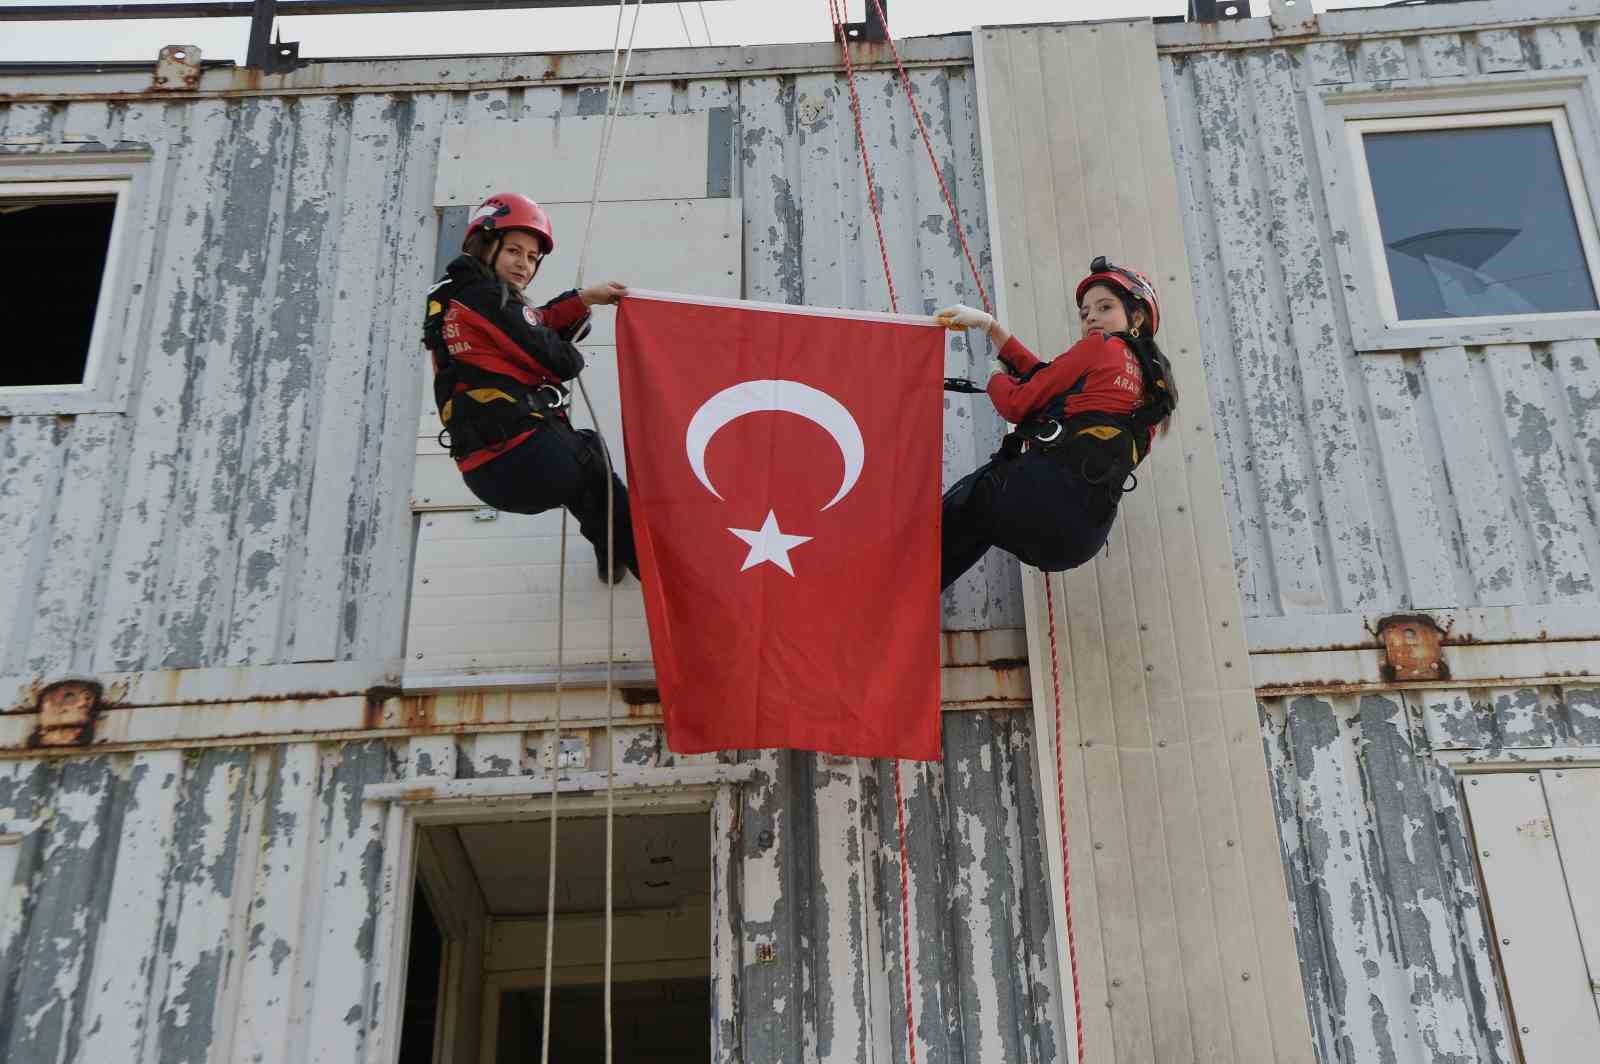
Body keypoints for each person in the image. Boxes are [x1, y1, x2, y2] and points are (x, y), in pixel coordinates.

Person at [423, 191, 639, 582]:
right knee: (588, 455)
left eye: (532, 258)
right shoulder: (483, 296)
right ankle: (653, 569)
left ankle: (611, 557)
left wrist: (584, 299)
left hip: (483, 473)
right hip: (527, 457)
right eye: (514, 251)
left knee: (583, 482)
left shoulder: (454, 297)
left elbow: (529, 323)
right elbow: (557, 358)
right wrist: (568, 348)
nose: (524, 264)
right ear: (486, 245)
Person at [935, 257, 1178, 591]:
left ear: (1136, 317)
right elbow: (1051, 378)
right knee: (977, 523)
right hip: (1079, 540)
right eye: (1085, 312)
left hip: (1043, 499)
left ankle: (893, 594)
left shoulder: (1101, 347)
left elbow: (1016, 403)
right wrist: (993, 329)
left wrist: (994, 377)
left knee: (964, 507)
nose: (1091, 316)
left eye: (1104, 307)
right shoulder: (1156, 392)